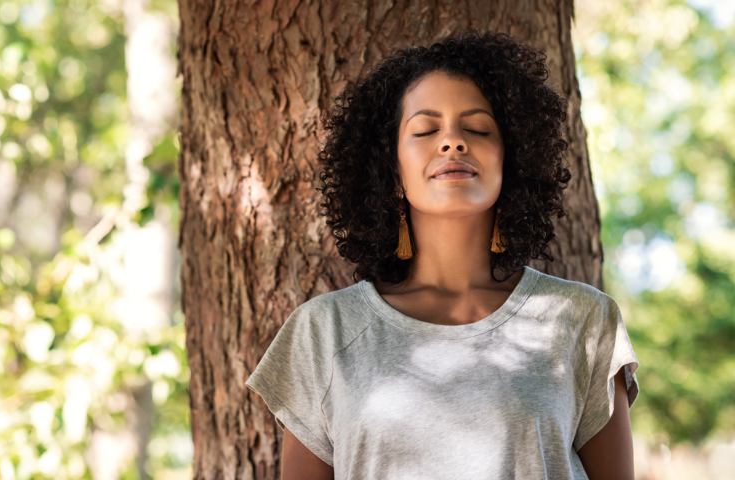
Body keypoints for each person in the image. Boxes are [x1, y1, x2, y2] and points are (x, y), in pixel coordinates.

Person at [245, 30, 639, 480]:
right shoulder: (323, 332)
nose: (452, 141)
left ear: (512, 161)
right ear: (391, 170)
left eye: (477, 128)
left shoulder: (583, 319)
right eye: (426, 129)